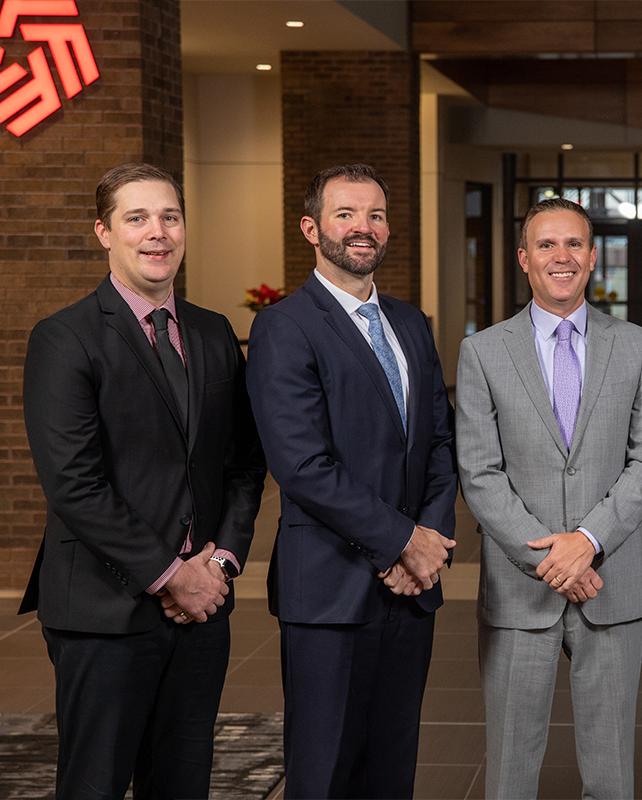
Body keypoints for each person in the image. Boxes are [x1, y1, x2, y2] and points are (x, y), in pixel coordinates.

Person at [20, 163, 266, 799]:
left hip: (202, 609)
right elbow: (75, 484)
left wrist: (223, 562)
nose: (157, 233)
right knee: (94, 787)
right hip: (105, 611)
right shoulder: (65, 338)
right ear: (104, 232)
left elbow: (243, 461)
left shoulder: (213, 332)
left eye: (170, 217)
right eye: (137, 218)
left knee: (183, 785)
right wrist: (170, 574)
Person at [245, 164, 457, 799]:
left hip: (411, 589)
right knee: (325, 773)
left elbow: (439, 446)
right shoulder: (284, 327)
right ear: (312, 228)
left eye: (375, 215)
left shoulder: (411, 323)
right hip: (329, 592)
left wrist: (430, 544)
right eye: (345, 215)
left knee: (392, 770)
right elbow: (302, 466)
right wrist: (402, 542)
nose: (363, 228)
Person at [456, 198, 642, 798]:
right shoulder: (484, 352)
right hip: (522, 590)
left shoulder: (635, 346)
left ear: (594, 257)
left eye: (574, 244)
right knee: (511, 773)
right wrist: (553, 560)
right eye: (546, 245)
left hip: (612, 586)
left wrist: (588, 543)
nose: (562, 257)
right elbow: (479, 473)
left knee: (610, 774)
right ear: (524, 259)